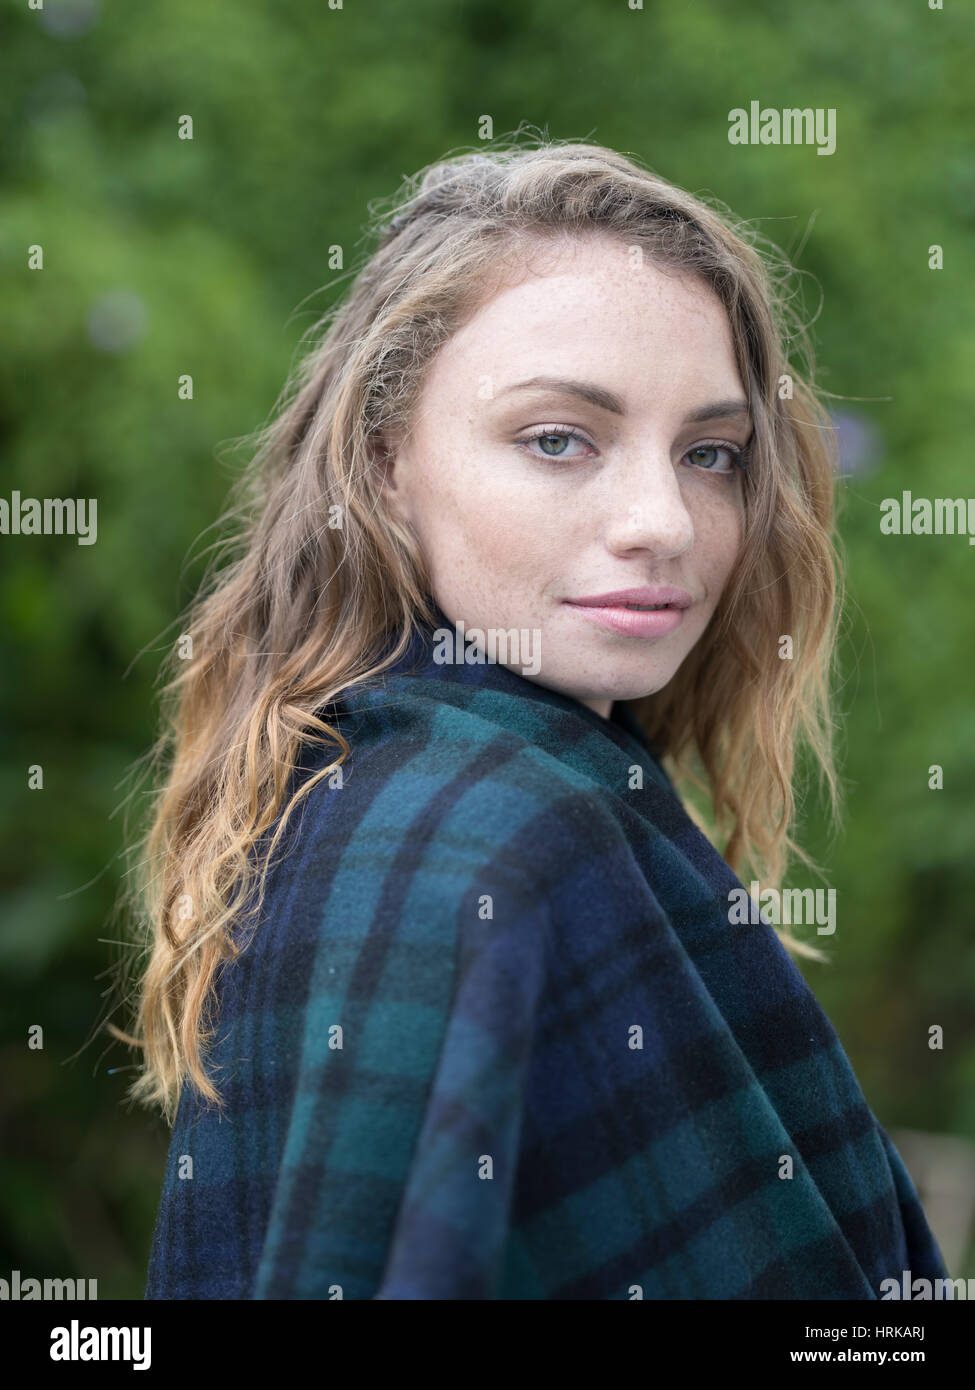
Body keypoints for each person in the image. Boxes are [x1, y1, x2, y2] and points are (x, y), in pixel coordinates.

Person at [120, 138, 948, 1298]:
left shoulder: (394, 786)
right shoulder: (496, 835)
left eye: (712, 454)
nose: (663, 518)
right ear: (386, 461)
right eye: (559, 438)